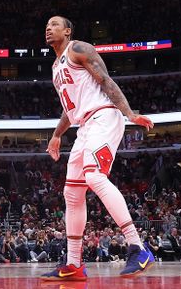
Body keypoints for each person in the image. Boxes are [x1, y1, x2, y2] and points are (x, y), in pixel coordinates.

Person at [41, 16, 155, 281]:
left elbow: (105, 80)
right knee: (71, 193)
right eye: (47, 25)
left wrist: (129, 113)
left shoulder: (79, 48)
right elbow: (70, 109)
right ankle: (73, 264)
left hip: (104, 116)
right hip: (84, 126)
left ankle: (138, 248)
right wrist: (56, 136)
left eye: (55, 24)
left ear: (68, 31)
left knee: (93, 176)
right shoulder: (55, 67)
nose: (49, 28)